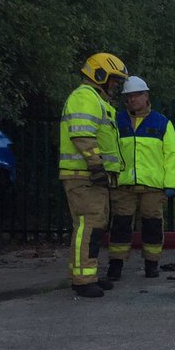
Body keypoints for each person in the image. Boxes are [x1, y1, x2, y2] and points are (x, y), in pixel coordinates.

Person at [59, 52, 127, 298]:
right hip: (84, 175)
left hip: (91, 176)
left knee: (95, 226)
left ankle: (88, 274)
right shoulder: (85, 97)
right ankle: (82, 280)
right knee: (88, 226)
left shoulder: (97, 101)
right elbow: (82, 135)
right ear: (100, 74)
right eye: (114, 80)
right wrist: (96, 165)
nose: (115, 85)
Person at [107, 76, 175, 280]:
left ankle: (152, 264)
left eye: (137, 95)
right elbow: (110, 150)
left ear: (146, 95)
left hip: (153, 185)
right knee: (120, 225)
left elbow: (172, 155)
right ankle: (116, 264)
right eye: (129, 96)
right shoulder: (117, 121)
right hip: (124, 184)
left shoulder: (161, 122)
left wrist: (171, 183)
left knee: (153, 225)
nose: (133, 99)